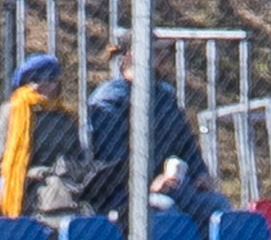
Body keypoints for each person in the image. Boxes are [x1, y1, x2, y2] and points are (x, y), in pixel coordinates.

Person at [86, 41, 206, 219]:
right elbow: (111, 159)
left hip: (169, 186)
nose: (164, 56)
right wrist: (147, 185)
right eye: (156, 50)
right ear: (131, 54)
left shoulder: (165, 96)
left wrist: (200, 173)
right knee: (166, 210)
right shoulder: (110, 98)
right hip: (122, 194)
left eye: (167, 51)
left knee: (215, 204)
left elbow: (186, 142)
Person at [0, 53, 100, 218]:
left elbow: (75, 154)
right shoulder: (14, 110)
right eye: (36, 79)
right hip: (31, 184)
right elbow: (2, 161)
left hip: (68, 179)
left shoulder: (65, 115)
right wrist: (41, 172)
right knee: (56, 187)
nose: (44, 84)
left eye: (51, 79)